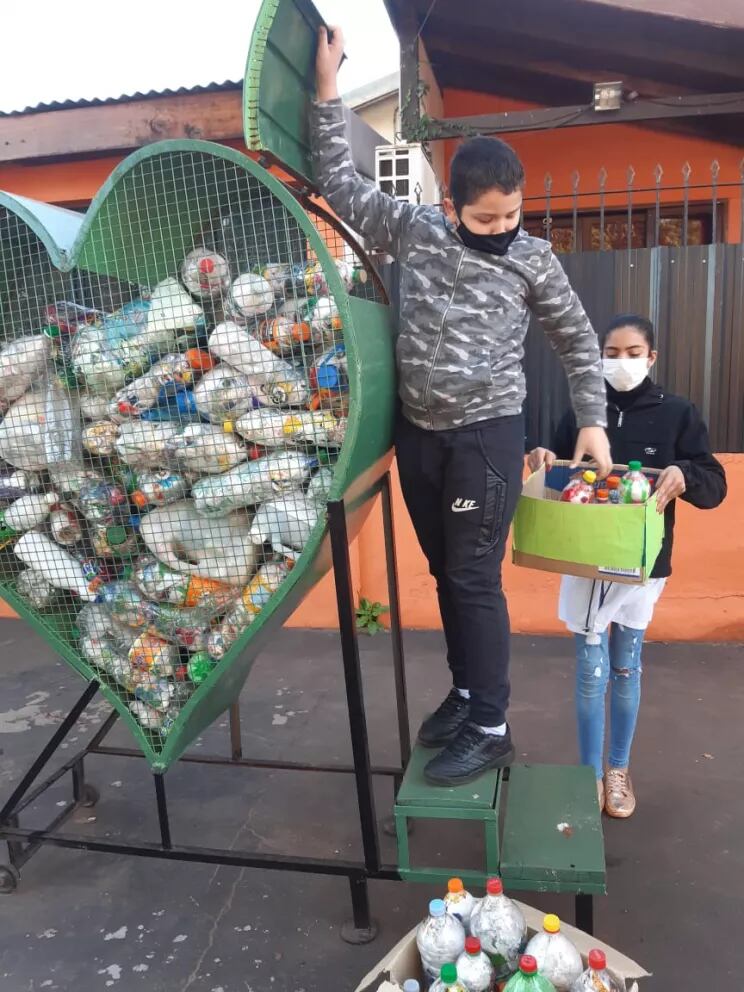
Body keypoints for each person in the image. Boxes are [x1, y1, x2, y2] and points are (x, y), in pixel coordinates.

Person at [313, 27, 612, 786]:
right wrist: (325, 92)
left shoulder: (533, 260)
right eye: (486, 220)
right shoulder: (417, 231)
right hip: (421, 436)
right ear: (452, 206)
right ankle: (468, 690)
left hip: (485, 437)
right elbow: (340, 186)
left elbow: (580, 344)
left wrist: (591, 421)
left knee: (475, 578)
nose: (502, 230)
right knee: (446, 572)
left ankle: (491, 724)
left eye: (511, 215)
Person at [528, 313, 727, 816]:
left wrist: (685, 473)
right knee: (592, 671)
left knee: (626, 664)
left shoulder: (678, 413)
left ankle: (618, 768)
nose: (621, 363)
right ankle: (589, 776)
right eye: (611, 353)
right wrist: (545, 460)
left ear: (651, 357)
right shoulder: (582, 413)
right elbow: (562, 478)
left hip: (643, 564)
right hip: (586, 559)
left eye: (632, 353)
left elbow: (713, 482)